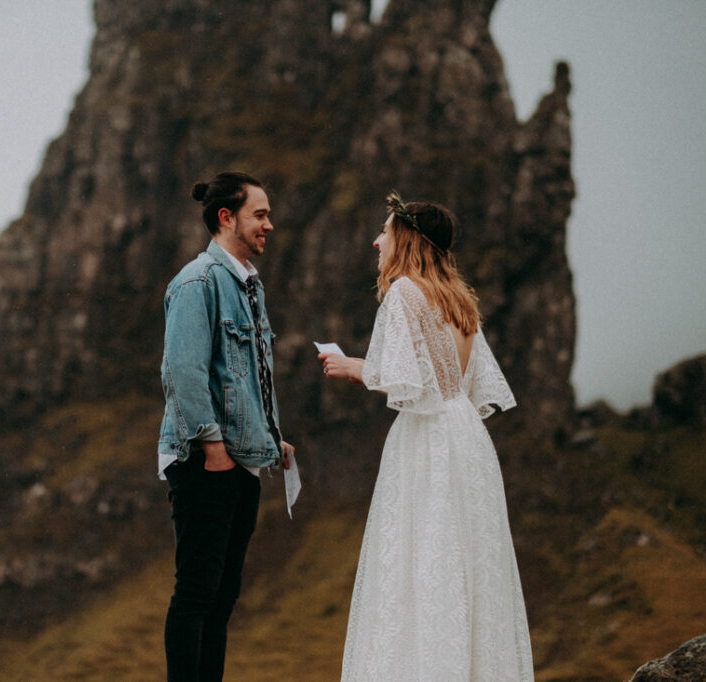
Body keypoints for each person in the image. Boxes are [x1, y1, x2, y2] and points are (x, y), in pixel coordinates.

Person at [318, 192, 534, 681]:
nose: (377, 241)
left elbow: (404, 380)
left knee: (419, 563)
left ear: (407, 239)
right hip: (466, 436)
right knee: (467, 562)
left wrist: (354, 367)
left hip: (429, 439)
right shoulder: (460, 301)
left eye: (386, 231)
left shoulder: (405, 294)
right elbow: (451, 378)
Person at [158, 171, 295, 682]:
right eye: (260, 214)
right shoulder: (197, 282)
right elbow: (183, 371)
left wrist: (269, 436)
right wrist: (212, 445)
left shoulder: (248, 287)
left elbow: (244, 376)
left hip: (242, 460)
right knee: (196, 591)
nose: (269, 225)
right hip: (204, 461)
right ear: (226, 217)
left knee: (221, 596)